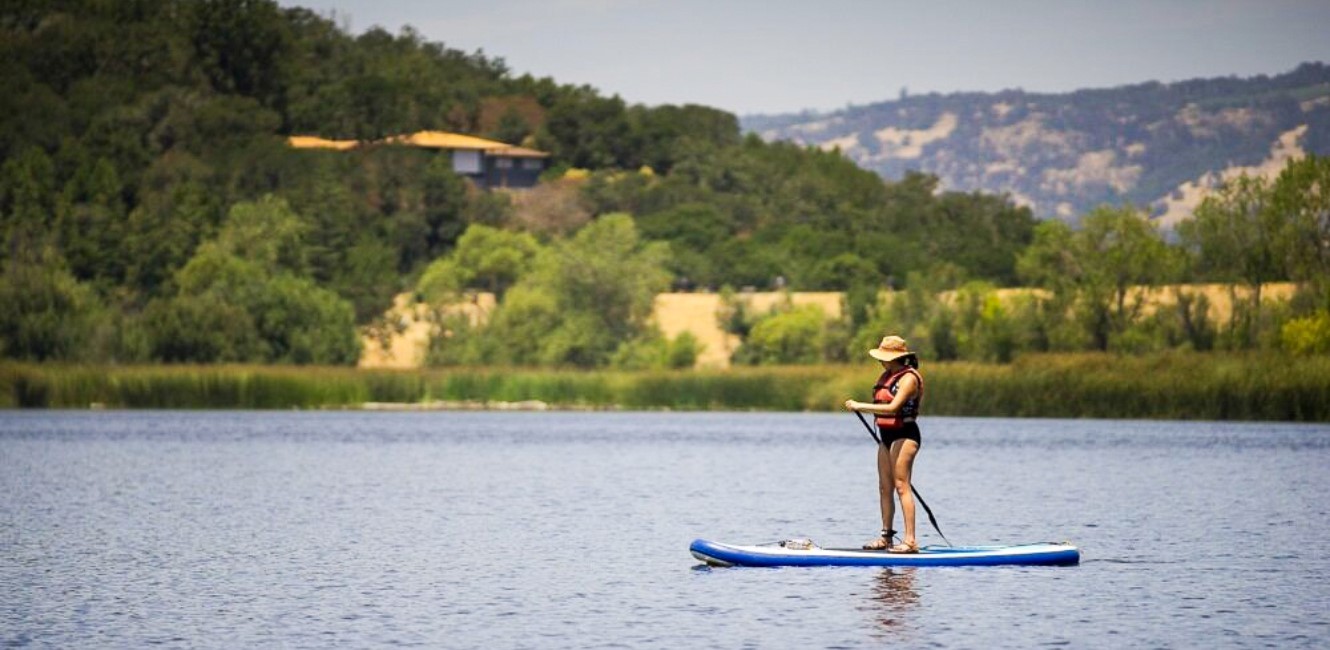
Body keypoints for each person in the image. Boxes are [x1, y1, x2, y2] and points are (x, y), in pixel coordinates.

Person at [843, 335, 924, 553]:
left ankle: (910, 541)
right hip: (886, 435)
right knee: (884, 487)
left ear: (895, 357)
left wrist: (861, 405)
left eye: (884, 357)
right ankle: (886, 537)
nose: (881, 361)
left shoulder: (908, 379)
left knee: (901, 485)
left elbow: (893, 408)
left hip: (905, 434)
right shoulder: (887, 376)